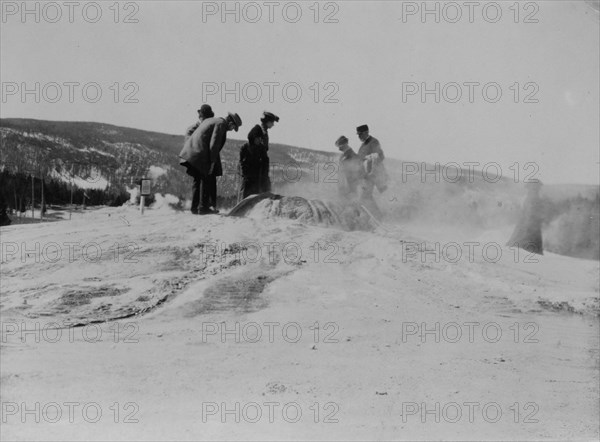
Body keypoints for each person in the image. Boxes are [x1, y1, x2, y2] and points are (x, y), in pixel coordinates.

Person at [179, 112, 242, 214]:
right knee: (207, 177)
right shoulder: (221, 124)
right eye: (233, 127)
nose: (231, 130)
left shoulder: (212, 120)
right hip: (200, 154)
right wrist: (212, 163)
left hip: (192, 152)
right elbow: (214, 144)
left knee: (197, 179)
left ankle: (194, 208)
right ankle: (203, 208)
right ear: (230, 123)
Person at [239, 111, 279, 198]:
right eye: (272, 122)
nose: (273, 124)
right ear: (267, 121)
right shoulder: (262, 132)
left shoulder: (261, 130)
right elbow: (262, 149)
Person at [356, 124, 388, 218]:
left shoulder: (374, 142)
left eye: (361, 134)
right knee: (366, 196)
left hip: (373, 174)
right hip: (365, 175)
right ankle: (373, 216)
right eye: (358, 134)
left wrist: (370, 161)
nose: (359, 136)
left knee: (365, 196)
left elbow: (380, 156)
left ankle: (376, 217)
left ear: (366, 132)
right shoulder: (363, 145)